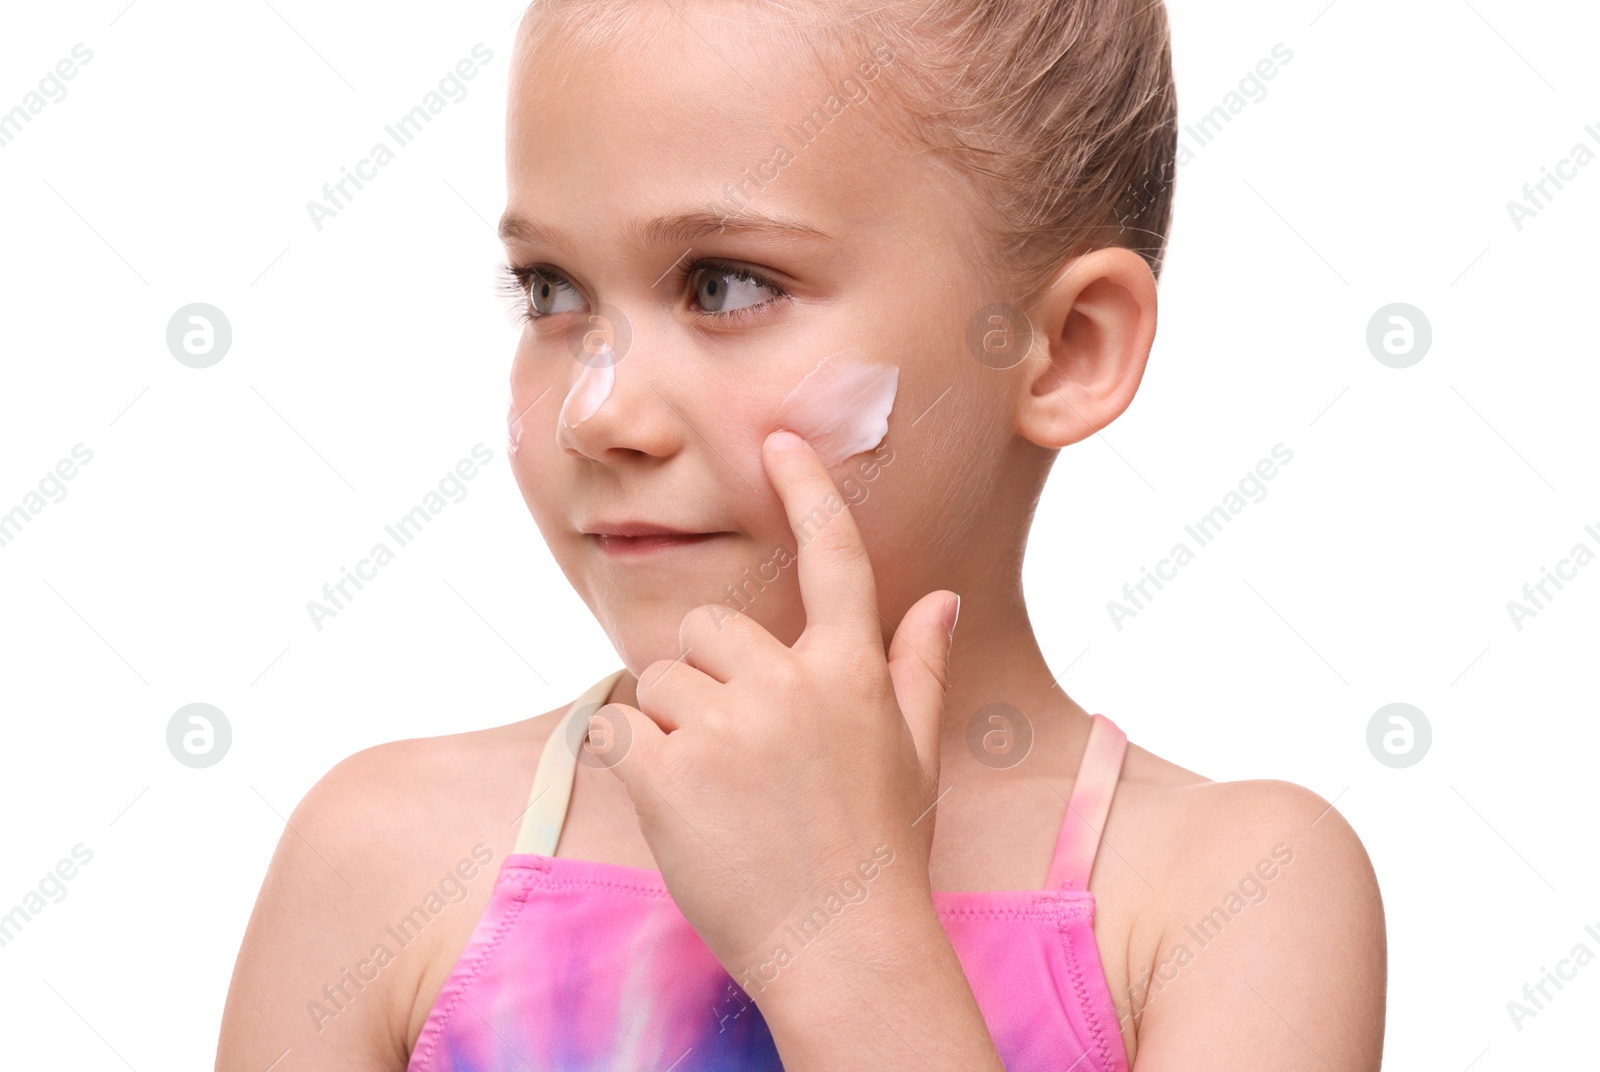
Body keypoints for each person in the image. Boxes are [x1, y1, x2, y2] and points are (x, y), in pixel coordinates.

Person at [217, 2, 1386, 1069]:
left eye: (725, 285)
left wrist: (836, 940)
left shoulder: (1233, 898)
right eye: (551, 291)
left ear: (1069, 345)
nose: (599, 409)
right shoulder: (380, 865)